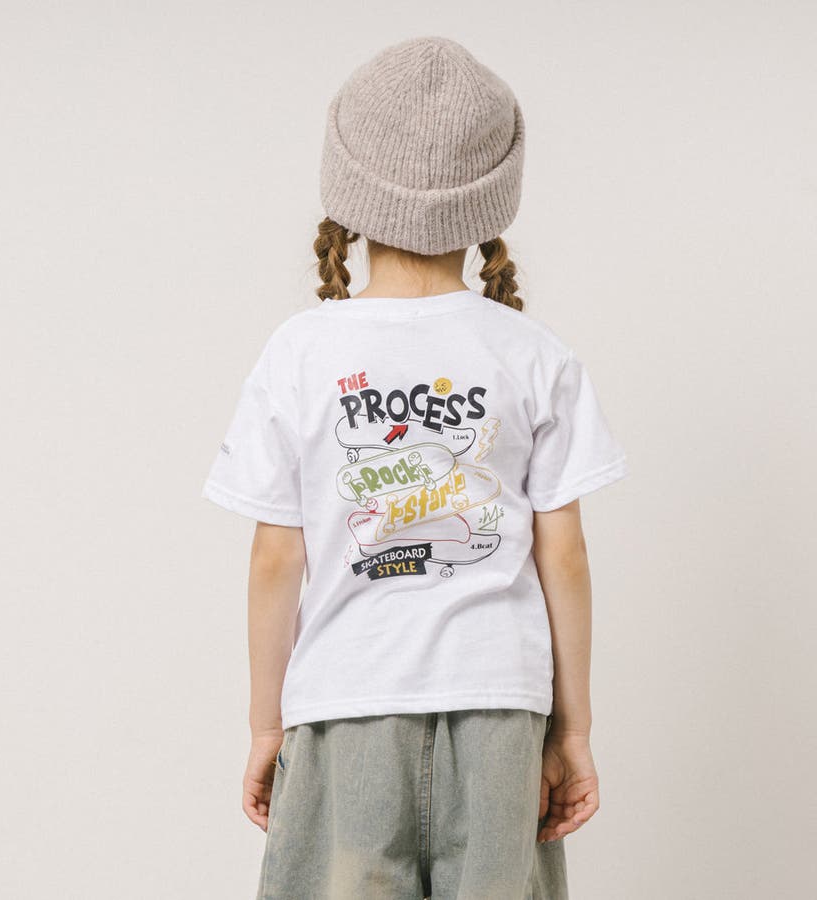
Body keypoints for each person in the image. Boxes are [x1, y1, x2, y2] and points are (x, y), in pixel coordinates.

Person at [202, 35, 629, 900]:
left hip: (346, 702)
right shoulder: (534, 354)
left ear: (348, 190)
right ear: (492, 200)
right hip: (500, 707)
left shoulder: (299, 353)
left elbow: (276, 558)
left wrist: (265, 725)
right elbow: (567, 556)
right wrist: (573, 730)